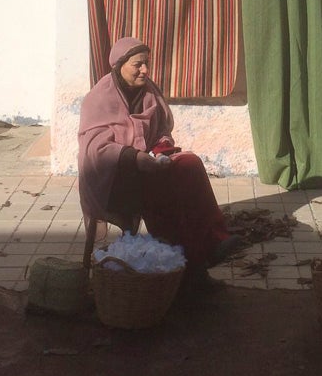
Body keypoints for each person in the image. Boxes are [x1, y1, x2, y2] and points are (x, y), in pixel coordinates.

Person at [78, 37, 242, 287]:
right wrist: (135, 157)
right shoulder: (99, 99)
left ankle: (214, 240)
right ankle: (192, 268)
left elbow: (162, 130)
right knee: (167, 196)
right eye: (137, 65)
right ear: (119, 65)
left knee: (190, 163)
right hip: (113, 180)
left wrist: (160, 150)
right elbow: (95, 150)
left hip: (147, 168)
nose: (144, 70)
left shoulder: (149, 92)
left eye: (146, 64)